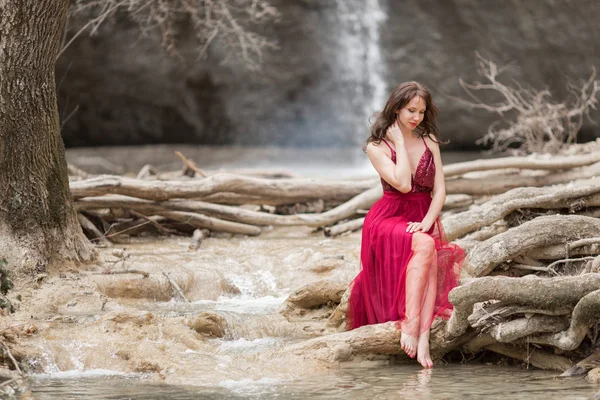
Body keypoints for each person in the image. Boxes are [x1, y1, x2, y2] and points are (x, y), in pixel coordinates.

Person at [346, 81, 465, 368]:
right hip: (388, 218)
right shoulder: (377, 146)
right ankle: (411, 325)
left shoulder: (430, 141)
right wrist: (399, 142)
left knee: (430, 257)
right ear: (397, 108)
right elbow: (401, 184)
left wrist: (426, 221)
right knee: (426, 246)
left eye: (422, 112)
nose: (416, 117)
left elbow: (441, 192)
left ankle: (423, 337)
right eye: (411, 110)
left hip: (422, 215)